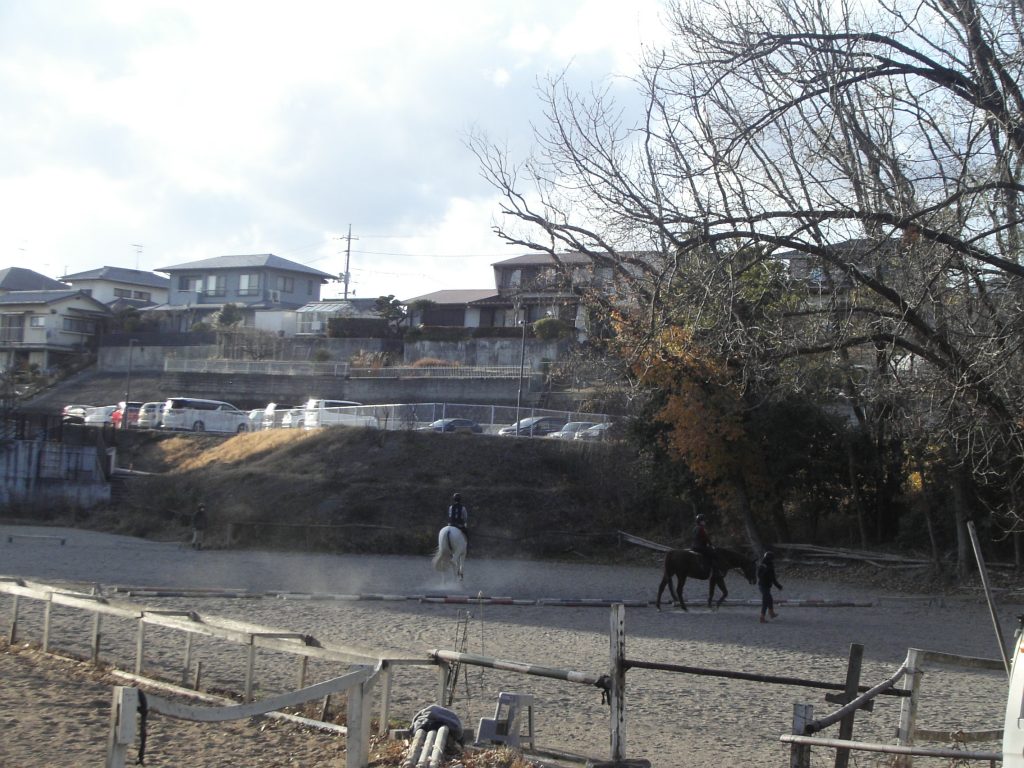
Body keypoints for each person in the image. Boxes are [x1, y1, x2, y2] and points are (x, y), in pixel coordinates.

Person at [757, 550, 783, 623]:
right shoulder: (769, 567)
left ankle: (771, 613)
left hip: (762, 585)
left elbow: (758, 575)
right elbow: (773, 578)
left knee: (770, 599)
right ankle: (762, 618)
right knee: (765, 602)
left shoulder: (762, 564)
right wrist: (778, 586)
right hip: (764, 586)